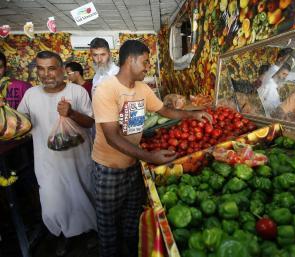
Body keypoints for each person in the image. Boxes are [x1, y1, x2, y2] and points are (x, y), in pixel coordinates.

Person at [92, 40, 212, 257]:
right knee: (109, 226)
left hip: (133, 165)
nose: (148, 67)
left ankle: (130, 250)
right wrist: (150, 156)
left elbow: (165, 112)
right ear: (131, 60)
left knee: (131, 219)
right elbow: (112, 137)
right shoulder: (105, 90)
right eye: (146, 62)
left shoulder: (143, 88)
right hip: (109, 169)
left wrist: (192, 114)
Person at [17, 51, 97, 256]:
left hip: (77, 160)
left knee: (83, 199)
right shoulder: (31, 95)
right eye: (41, 69)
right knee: (54, 202)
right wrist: (7, 116)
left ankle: (89, 233)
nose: (46, 74)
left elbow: (90, 122)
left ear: (62, 69)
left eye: (51, 68)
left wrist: (71, 113)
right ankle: (63, 234)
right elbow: (21, 125)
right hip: (47, 163)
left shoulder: (77, 92)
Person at [257, 48, 292, 117]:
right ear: (280, 59)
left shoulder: (275, 77)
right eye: (287, 60)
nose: (289, 62)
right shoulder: (272, 72)